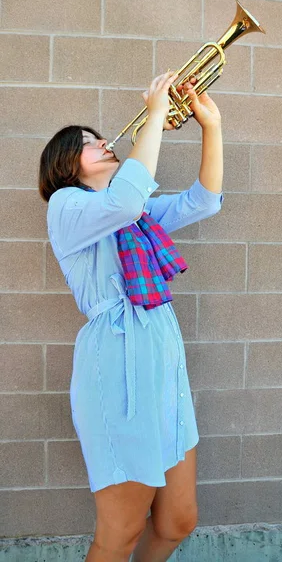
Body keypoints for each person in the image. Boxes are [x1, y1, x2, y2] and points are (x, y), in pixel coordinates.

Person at [39, 71, 224, 562]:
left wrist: (212, 127)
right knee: (121, 529)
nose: (103, 142)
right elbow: (123, 199)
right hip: (116, 363)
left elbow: (202, 202)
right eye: (87, 143)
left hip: (162, 352)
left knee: (178, 518)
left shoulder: (136, 213)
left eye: (99, 137)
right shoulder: (67, 205)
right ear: (65, 165)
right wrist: (158, 115)